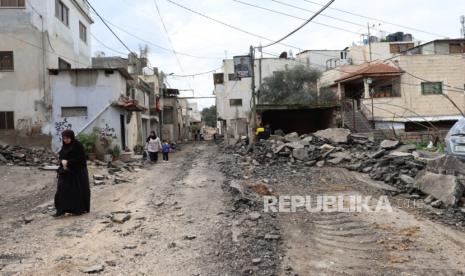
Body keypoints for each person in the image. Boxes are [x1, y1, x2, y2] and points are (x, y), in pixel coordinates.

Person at [54, 129, 90, 217]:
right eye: (64, 138)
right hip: (65, 172)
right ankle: (61, 210)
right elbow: (62, 156)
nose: (65, 140)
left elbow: (81, 160)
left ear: (71, 137)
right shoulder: (64, 146)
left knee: (75, 192)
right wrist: (62, 162)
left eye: (67, 138)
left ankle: (77, 210)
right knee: (61, 190)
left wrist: (68, 162)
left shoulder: (78, 146)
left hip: (76, 173)